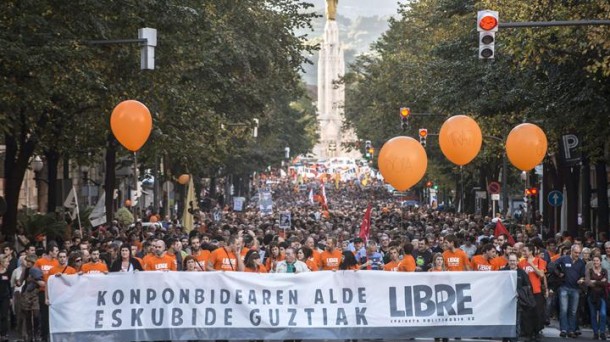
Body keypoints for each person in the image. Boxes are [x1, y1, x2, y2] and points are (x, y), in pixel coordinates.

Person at [556, 244, 586, 338]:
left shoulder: (581, 262)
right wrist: (558, 273)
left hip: (575, 288)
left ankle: (571, 330)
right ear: (571, 251)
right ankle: (564, 329)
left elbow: (582, 275)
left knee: (573, 311)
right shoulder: (564, 259)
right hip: (564, 287)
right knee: (564, 310)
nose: (577, 254)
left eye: (579, 253)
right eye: (576, 252)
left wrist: (581, 279)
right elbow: (552, 265)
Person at [502, 252, 533, 342]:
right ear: (508, 261)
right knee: (505, 322)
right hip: (505, 303)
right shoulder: (502, 271)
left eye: (514, 261)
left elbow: (528, 286)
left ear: (517, 261)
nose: (512, 262)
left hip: (517, 302)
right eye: (511, 260)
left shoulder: (522, 273)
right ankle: (505, 339)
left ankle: (514, 340)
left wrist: (520, 293)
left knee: (516, 322)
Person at [585, 255, 607, 340]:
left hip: (602, 295)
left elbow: (605, 283)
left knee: (603, 314)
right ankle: (595, 333)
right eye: (594, 260)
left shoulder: (604, 271)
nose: (595, 262)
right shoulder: (589, 271)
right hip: (592, 295)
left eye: (597, 260)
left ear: (600, 261)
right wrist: (600, 282)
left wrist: (595, 281)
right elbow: (587, 283)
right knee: (593, 315)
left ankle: (602, 332)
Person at [0, 254, 12, 341]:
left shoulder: (8, 272)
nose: (8, 263)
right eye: (7, 262)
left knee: (4, 315)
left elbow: (9, 285)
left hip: (5, 297)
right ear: (2, 262)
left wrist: (11, 297)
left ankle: (4, 334)